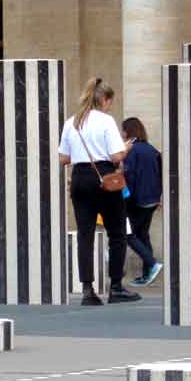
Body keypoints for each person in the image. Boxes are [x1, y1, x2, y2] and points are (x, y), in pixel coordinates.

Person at [58, 77, 141, 306]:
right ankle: (115, 287)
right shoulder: (106, 121)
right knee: (117, 233)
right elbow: (115, 157)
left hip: (79, 179)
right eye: (110, 102)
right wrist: (125, 149)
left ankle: (87, 290)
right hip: (105, 178)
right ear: (103, 99)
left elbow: (63, 158)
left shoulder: (72, 122)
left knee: (85, 234)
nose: (110, 106)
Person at [121, 117, 163, 287]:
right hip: (152, 201)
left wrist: (124, 198)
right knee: (143, 235)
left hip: (136, 201)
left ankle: (152, 263)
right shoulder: (151, 149)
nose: (121, 133)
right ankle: (147, 274)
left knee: (128, 235)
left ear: (128, 131)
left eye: (122, 130)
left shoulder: (131, 150)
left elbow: (129, 176)